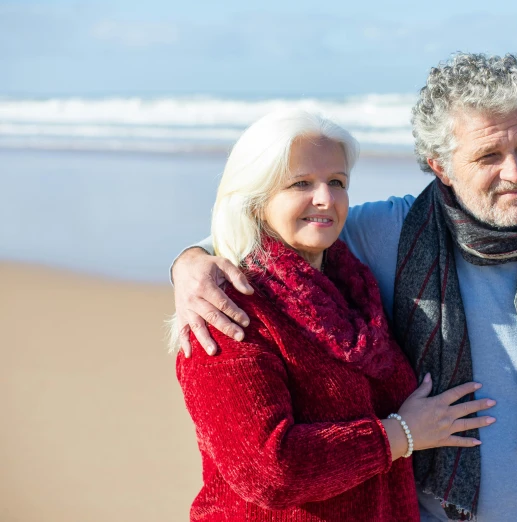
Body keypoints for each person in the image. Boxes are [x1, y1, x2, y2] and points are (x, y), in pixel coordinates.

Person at [172, 54, 517, 522]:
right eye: (488, 155)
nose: (516, 171)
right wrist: (190, 262)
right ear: (441, 165)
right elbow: (276, 228)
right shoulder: (390, 233)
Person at [172, 109, 497, 521]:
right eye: (301, 183)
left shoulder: (355, 289)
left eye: (337, 182)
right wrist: (401, 433)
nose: (325, 197)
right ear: (255, 200)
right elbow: (268, 471)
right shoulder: (228, 309)